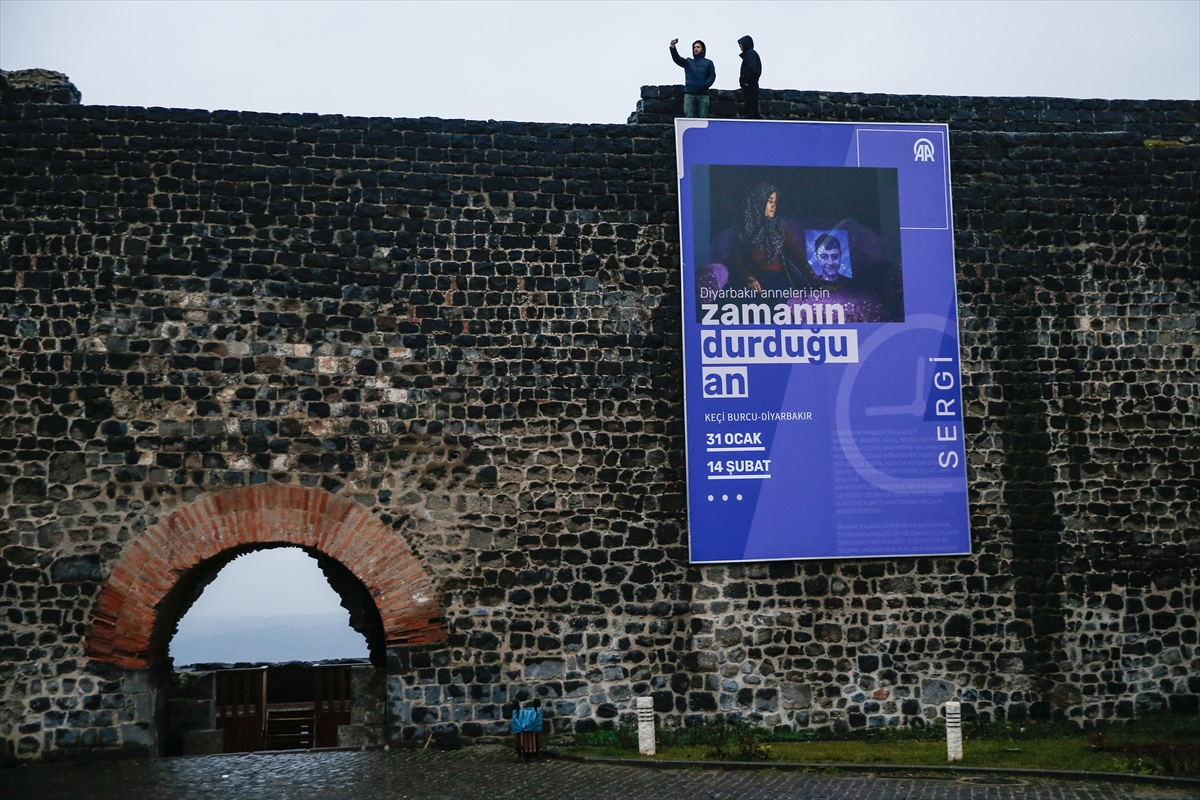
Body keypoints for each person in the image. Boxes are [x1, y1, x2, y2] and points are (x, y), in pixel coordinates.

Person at [731, 183, 809, 293]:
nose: (774, 206)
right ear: (760, 201)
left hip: (777, 280)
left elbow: (795, 254)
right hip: (755, 278)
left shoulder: (779, 227)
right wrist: (749, 277)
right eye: (770, 201)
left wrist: (814, 278)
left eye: (775, 202)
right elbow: (737, 259)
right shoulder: (746, 228)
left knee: (778, 294)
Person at [669, 39, 716, 118]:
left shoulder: (708, 63)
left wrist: (705, 85)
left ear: (702, 49)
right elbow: (677, 59)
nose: (695, 49)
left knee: (703, 118)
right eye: (694, 47)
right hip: (689, 94)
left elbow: (712, 76)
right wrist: (673, 48)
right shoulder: (688, 62)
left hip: (703, 94)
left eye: (698, 47)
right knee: (689, 118)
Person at [737, 36, 761, 119]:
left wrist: (747, 81)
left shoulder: (750, 53)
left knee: (750, 106)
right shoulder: (750, 53)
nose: (740, 46)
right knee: (752, 106)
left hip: (750, 84)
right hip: (751, 84)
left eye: (741, 44)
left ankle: (752, 122)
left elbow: (752, 69)